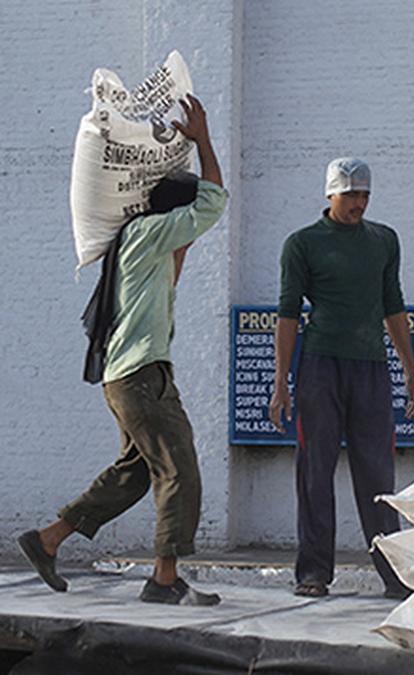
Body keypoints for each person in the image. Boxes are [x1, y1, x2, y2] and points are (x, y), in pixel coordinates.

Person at [17, 95, 227, 606]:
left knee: (136, 471)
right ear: (170, 211)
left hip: (126, 375)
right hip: (141, 375)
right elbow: (215, 200)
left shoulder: (138, 240)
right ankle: (163, 579)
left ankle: (47, 540)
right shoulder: (151, 232)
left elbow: (175, 267)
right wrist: (201, 140)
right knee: (179, 469)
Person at [268, 157, 414, 599]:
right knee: (315, 469)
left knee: (377, 473)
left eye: (364, 194)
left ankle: (394, 574)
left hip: (371, 367)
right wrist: (282, 380)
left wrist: (410, 371)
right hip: (320, 366)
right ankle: (313, 572)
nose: (359, 203)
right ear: (330, 194)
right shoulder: (302, 244)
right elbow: (287, 314)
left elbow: (393, 304)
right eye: (351, 194)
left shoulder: (383, 240)